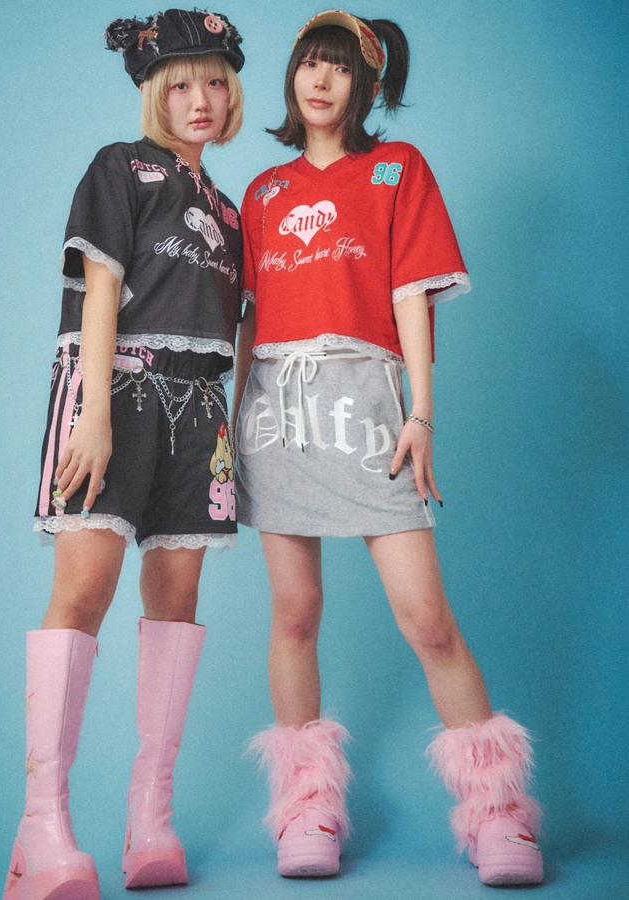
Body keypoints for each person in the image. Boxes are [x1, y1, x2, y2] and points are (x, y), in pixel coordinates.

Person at [233, 10, 543, 886]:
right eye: (309, 63)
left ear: (365, 85)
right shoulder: (262, 192)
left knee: (427, 619)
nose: (319, 79)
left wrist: (421, 412)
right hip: (276, 412)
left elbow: (412, 293)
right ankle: (306, 809)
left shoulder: (396, 169)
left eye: (338, 67)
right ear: (292, 76)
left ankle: (498, 815)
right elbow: (251, 317)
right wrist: (228, 419)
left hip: (366, 406)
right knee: (294, 613)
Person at [3, 10, 244, 898]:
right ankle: (41, 830)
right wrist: (95, 414)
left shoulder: (228, 211)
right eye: (180, 85)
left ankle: (151, 822)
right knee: (85, 590)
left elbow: (241, 329)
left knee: (176, 597)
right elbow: (100, 288)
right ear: (153, 94)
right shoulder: (120, 167)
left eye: (214, 82)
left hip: (200, 409)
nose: (199, 99)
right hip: (116, 388)